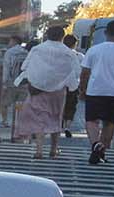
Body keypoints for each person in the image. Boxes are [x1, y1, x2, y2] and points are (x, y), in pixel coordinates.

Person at [14, 26, 80, 159]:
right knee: (56, 117)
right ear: (62, 36)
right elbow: (74, 71)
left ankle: (39, 150)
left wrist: (33, 79)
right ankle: (54, 149)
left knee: (40, 118)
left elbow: (25, 66)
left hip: (39, 89)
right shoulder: (68, 52)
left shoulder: (37, 49)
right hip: (58, 90)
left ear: (47, 35)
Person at [79, 20, 114, 165]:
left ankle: (95, 144)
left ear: (105, 32)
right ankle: (102, 151)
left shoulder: (94, 50)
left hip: (95, 90)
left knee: (91, 121)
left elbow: (85, 72)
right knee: (109, 123)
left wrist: (82, 89)